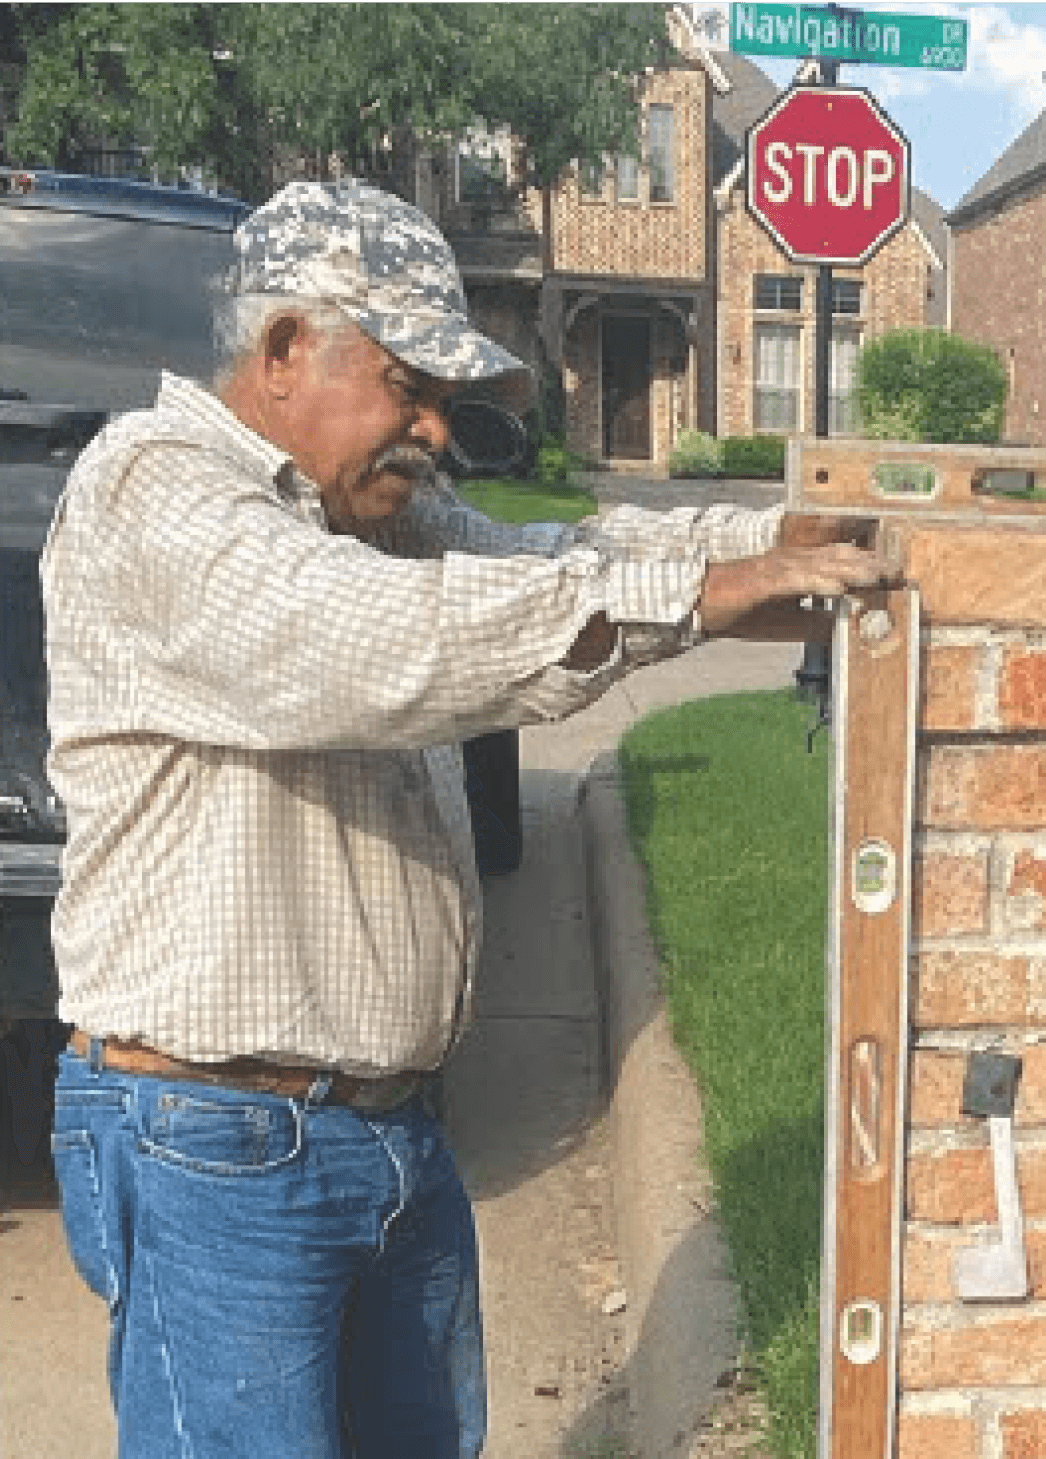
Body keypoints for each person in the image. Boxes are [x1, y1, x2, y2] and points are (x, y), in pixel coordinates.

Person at [41, 178, 890, 1458]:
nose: (434, 429)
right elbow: (375, 642)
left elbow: (564, 568)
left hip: (386, 1132)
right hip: (213, 1144)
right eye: (407, 385)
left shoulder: (367, 510)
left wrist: (808, 541)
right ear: (282, 349)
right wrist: (724, 589)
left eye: (445, 399)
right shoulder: (154, 488)